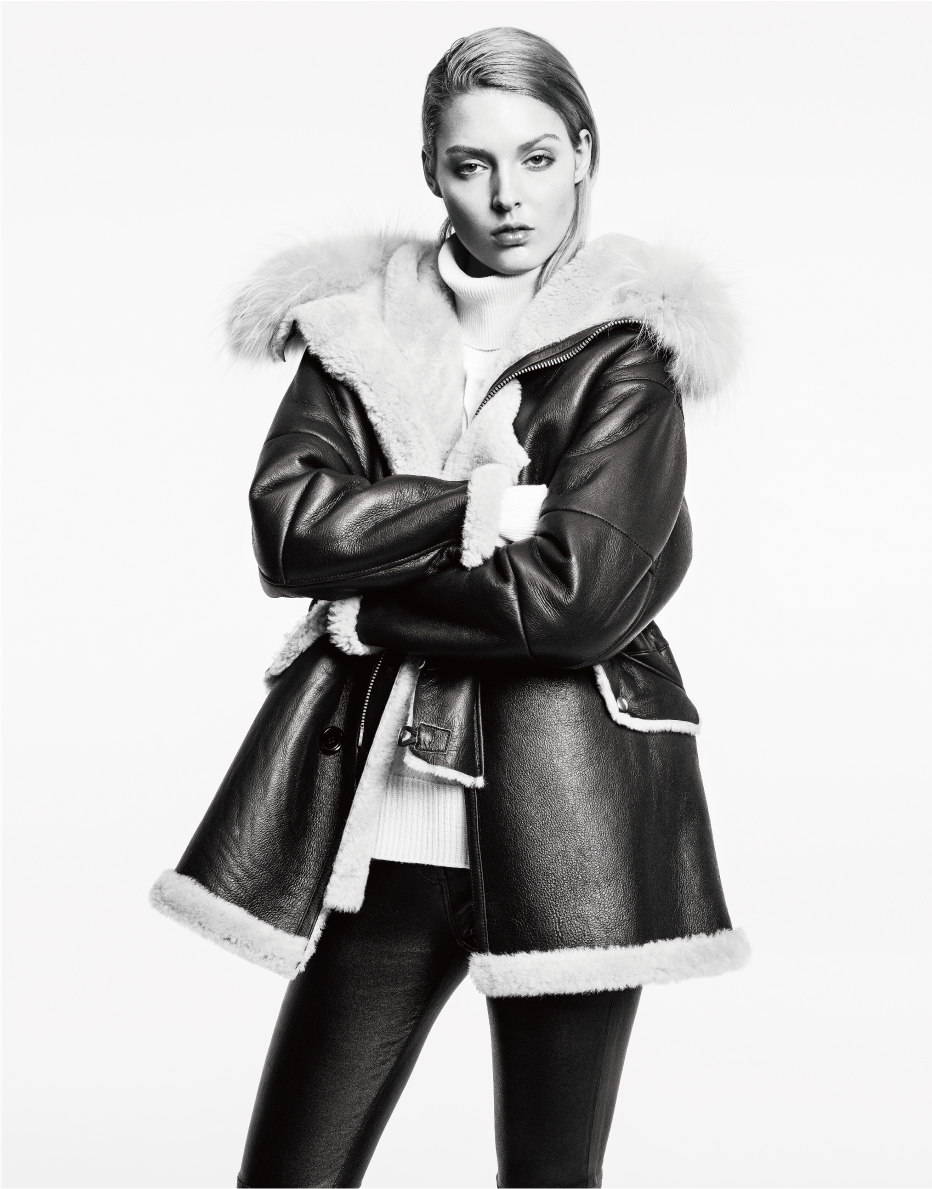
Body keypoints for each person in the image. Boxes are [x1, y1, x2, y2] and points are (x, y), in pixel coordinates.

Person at [150, 26, 750, 1189]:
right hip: (380, 834)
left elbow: (572, 601)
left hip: (570, 821)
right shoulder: (354, 327)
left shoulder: (629, 350)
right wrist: (484, 506)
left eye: (535, 158)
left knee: (547, 1175)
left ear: (581, 155)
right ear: (431, 170)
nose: (506, 195)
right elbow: (290, 529)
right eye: (471, 164)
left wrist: (369, 613)